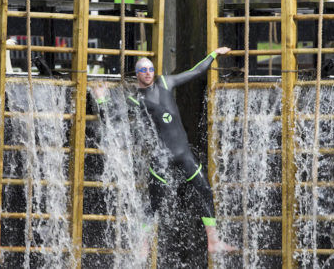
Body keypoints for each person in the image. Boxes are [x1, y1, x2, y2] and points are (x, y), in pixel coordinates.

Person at [95, 47, 235, 254]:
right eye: (143, 70)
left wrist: (214, 54)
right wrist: (102, 99)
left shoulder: (166, 82)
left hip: (184, 154)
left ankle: (213, 241)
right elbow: (111, 119)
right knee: (154, 204)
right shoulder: (136, 100)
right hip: (162, 158)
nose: (148, 72)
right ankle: (143, 246)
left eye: (150, 68)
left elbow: (196, 71)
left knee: (205, 190)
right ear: (137, 74)